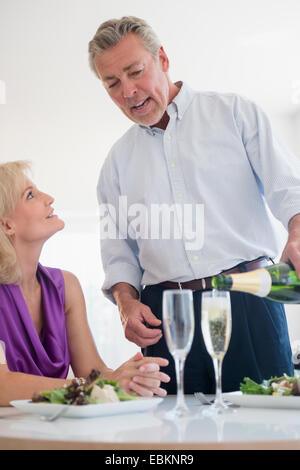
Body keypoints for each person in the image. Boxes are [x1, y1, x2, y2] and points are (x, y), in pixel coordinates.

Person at [88, 17, 300, 394]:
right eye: (112, 84)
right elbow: (117, 253)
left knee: (267, 428)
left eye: (135, 72)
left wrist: (297, 233)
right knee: (174, 433)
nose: (129, 91)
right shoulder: (115, 163)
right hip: (167, 317)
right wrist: (124, 302)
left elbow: (289, 189)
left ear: (163, 59)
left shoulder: (235, 113)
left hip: (248, 300)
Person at [0, 161, 170, 407]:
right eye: (30, 195)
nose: (49, 198)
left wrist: (128, 375)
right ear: (6, 225)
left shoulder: (65, 286)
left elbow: (92, 372)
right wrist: (96, 386)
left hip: (55, 431)